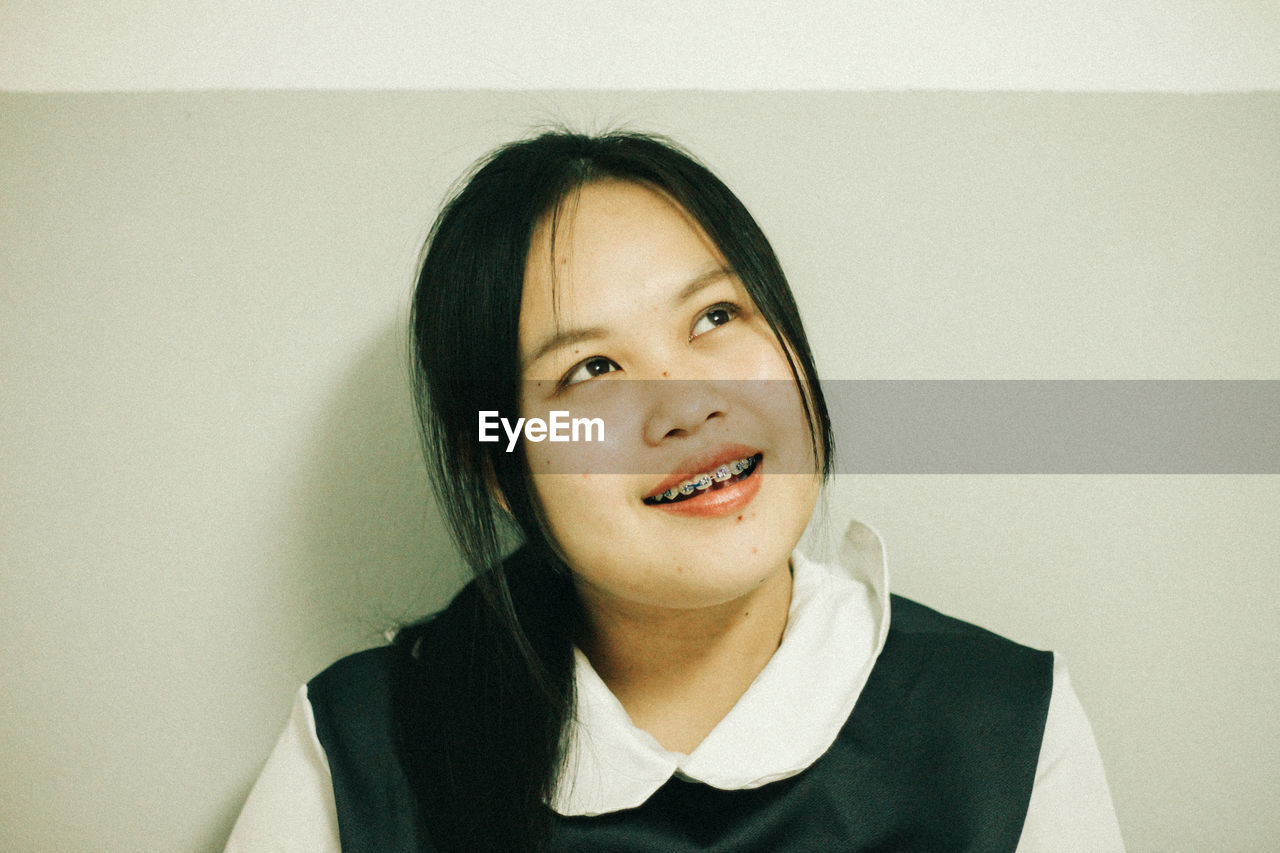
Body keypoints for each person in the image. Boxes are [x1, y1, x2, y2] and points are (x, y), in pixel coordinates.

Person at [226, 131, 1123, 851]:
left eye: (717, 317)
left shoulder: (1004, 723)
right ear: (499, 467)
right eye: (592, 369)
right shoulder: (358, 749)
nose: (687, 402)